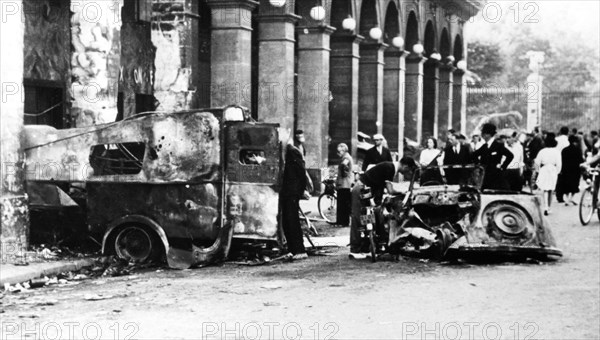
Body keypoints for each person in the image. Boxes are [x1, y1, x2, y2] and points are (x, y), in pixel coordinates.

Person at [349, 157, 419, 259]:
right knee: (357, 217)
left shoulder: (390, 167)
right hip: (361, 189)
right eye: (408, 170)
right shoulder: (390, 168)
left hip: (366, 190)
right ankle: (354, 249)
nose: (407, 173)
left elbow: (380, 186)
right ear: (405, 166)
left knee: (367, 217)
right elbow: (390, 190)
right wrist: (402, 192)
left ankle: (365, 246)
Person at [280, 141, 308, 260]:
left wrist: (300, 190)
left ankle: (298, 250)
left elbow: (301, 173)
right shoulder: (289, 152)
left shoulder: (292, 152)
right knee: (288, 220)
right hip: (289, 192)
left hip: (292, 192)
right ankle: (293, 249)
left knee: (292, 220)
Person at [472, 123, 514, 190]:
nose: (482, 135)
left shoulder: (498, 145)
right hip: (485, 177)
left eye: (484, 133)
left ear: (488, 134)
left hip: (496, 177)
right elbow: (473, 155)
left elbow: (510, 155)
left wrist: (503, 167)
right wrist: (478, 164)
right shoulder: (484, 146)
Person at [534, 133, 562, 216]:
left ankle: (545, 206)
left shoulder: (542, 151)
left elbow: (537, 162)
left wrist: (538, 171)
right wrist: (557, 171)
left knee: (545, 188)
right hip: (553, 169)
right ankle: (549, 207)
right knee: (551, 189)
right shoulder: (557, 151)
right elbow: (559, 163)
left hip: (544, 169)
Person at [561, 135, 584, 206]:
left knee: (566, 184)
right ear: (575, 142)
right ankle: (571, 198)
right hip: (575, 169)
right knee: (574, 184)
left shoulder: (564, 150)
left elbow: (562, 160)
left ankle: (567, 199)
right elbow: (581, 160)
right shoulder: (578, 150)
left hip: (566, 169)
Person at [336, 143, 353, 227]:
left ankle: (343, 222)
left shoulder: (346, 157)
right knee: (343, 203)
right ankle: (342, 221)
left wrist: (343, 174)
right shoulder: (346, 156)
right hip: (345, 183)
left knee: (343, 204)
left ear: (343, 150)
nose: (338, 153)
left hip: (344, 183)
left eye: (339, 151)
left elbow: (344, 165)